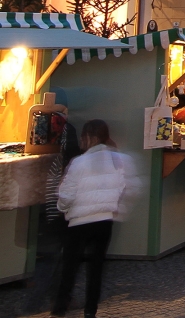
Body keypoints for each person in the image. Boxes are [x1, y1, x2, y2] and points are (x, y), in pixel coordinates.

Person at [52, 120, 136, 318]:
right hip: (104, 221)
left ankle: (60, 309)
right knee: (96, 268)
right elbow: (122, 187)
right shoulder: (117, 160)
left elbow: (66, 194)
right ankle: (90, 311)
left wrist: (62, 208)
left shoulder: (79, 162)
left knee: (70, 267)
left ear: (89, 137)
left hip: (79, 222)